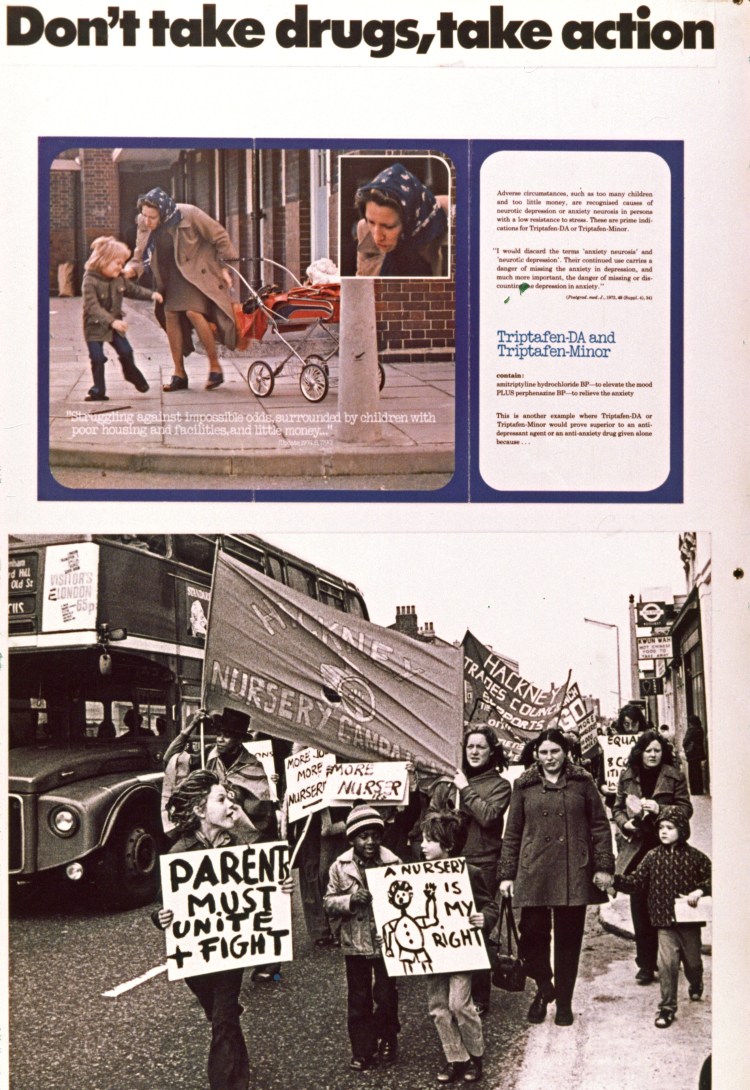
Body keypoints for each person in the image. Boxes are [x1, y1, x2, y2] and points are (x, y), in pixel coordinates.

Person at [153, 769, 294, 1090]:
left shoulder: (240, 844)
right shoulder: (180, 854)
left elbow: (263, 887)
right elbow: (163, 903)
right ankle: (235, 1059)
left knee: (224, 1018)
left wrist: (282, 886)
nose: (232, 806)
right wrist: (161, 917)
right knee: (220, 1015)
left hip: (231, 950)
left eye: (231, 799)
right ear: (200, 810)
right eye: (221, 800)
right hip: (196, 957)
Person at [498, 728, 614, 1027]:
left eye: (555, 751)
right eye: (544, 752)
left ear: (566, 753)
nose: (549, 758)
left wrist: (603, 866)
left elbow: (600, 826)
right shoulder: (524, 785)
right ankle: (544, 988)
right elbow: (512, 833)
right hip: (534, 869)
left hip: (573, 869)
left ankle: (564, 1002)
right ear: (536, 754)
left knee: (568, 941)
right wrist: (507, 874)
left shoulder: (582, 782)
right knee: (532, 937)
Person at [124, 186, 238, 392]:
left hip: (195, 273)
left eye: (152, 217)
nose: (147, 221)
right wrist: (128, 271)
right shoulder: (144, 223)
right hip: (169, 275)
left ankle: (215, 367)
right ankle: (179, 374)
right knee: (170, 315)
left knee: (193, 312)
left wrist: (224, 267)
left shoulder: (189, 214)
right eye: (144, 215)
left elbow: (219, 236)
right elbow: (140, 255)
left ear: (163, 212)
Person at [433, 726, 511, 1016]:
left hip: (483, 863)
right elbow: (432, 819)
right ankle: (455, 993)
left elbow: (488, 817)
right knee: (450, 926)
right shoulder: (450, 782)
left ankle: (479, 995)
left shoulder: (500, 785)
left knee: (478, 926)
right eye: (470, 747)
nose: (475, 752)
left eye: (481, 747)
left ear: (491, 752)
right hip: (450, 861)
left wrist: (465, 789)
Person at [611, 805, 711, 1028]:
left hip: (688, 922)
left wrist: (700, 890)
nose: (664, 831)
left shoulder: (696, 858)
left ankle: (696, 983)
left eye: (670, 827)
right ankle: (667, 1008)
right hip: (663, 922)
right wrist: (614, 880)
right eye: (661, 827)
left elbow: (711, 878)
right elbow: (636, 882)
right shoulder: (652, 857)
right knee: (666, 966)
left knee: (693, 963)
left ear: (682, 830)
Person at [421, 810, 499, 1084]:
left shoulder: (470, 873)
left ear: (449, 845)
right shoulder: (418, 875)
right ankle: (455, 1057)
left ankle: (475, 1055)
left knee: (460, 1005)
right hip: (434, 954)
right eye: (423, 839)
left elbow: (489, 905)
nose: (422, 845)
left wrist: (483, 918)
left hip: (461, 952)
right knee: (438, 1007)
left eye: (429, 840)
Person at [324, 805, 401, 1072]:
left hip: (384, 941)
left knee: (386, 995)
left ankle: (388, 1037)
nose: (370, 842)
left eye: (375, 836)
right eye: (363, 836)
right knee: (358, 998)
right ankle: (362, 1049)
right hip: (355, 942)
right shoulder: (339, 866)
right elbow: (328, 902)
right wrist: (350, 900)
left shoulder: (393, 863)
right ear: (351, 839)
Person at [612, 729, 693, 985]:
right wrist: (625, 824)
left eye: (657, 750)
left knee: (667, 906)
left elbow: (686, 809)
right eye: (648, 750)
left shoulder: (674, 775)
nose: (653, 755)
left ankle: (669, 960)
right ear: (640, 752)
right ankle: (645, 964)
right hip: (637, 850)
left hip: (666, 849)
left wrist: (661, 809)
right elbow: (616, 808)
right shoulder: (628, 776)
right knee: (640, 908)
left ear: (663, 753)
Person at [81, 235, 162, 401]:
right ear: (103, 261)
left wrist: (151, 295)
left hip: (115, 325)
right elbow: (92, 307)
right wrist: (113, 322)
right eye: (117, 263)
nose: (121, 267)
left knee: (126, 351)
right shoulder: (90, 281)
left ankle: (131, 374)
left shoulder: (119, 278)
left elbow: (133, 290)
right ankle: (98, 390)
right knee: (97, 358)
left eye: (122, 264)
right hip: (95, 326)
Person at [354, 162, 448, 277]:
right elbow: (360, 278)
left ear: (408, 221)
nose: (377, 237)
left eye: (388, 226)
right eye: (371, 222)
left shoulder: (429, 231)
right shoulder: (363, 228)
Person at [683, 715, 707, 795]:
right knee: (698, 772)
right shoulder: (700, 729)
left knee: (692, 773)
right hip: (699, 754)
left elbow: (685, 741)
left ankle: (694, 791)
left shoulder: (691, 730)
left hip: (692, 754)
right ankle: (699, 790)